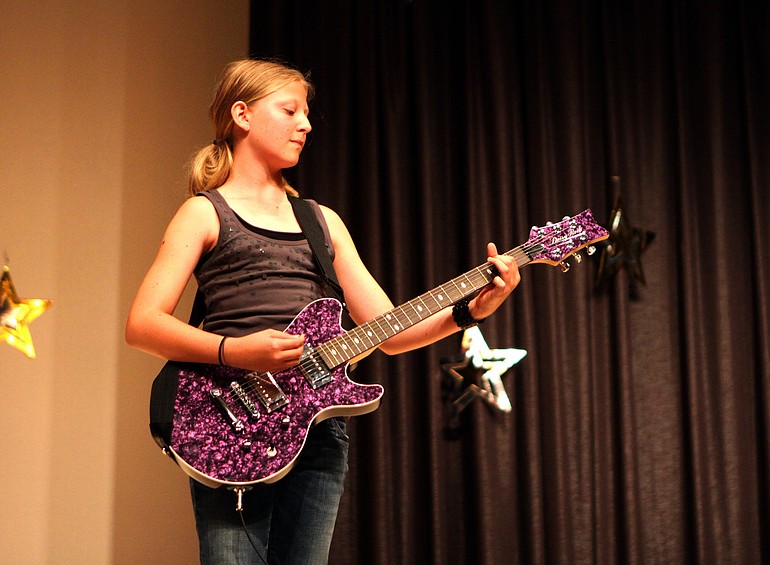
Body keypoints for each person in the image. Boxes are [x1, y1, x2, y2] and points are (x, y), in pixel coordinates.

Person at [125, 58, 521, 565]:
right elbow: (143, 324)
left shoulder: (321, 220)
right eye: (289, 110)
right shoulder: (204, 212)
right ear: (242, 114)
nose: (306, 124)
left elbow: (390, 330)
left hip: (318, 430)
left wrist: (471, 311)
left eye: (306, 114)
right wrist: (235, 351)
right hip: (230, 420)